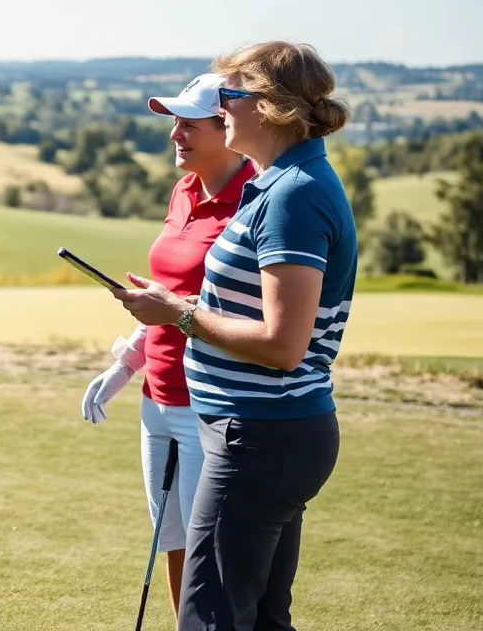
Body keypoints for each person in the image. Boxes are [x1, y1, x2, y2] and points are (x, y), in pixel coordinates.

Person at [114, 42, 355, 631]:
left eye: (230, 94)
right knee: (263, 619)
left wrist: (178, 314)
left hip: (260, 436)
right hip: (263, 432)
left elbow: (283, 344)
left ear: (269, 107)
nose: (218, 106)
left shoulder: (294, 194)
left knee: (211, 618)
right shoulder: (281, 182)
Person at [81, 73, 255, 619]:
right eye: (174, 123)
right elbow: (167, 299)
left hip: (209, 404)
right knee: (173, 540)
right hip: (156, 401)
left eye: (189, 124)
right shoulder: (184, 191)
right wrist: (125, 367)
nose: (176, 134)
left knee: (214, 552)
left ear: (226, 127)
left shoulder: (253, 199)